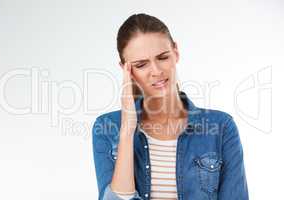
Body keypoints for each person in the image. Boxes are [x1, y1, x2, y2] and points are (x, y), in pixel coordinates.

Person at [92, 13, 249, 200]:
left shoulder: (221, 127)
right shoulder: (108, 128)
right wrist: (127, 130)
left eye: (163, 57)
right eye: (141, 64)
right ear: (127, 69)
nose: (156, 71)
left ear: (176, 52)